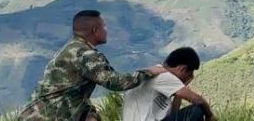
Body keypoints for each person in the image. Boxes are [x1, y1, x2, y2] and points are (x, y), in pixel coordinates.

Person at [19, 10, 166, 121]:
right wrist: (149, 71)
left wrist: (91, 115)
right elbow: (116, 83)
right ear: (95, 31)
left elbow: (70, 91)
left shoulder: (71, 48)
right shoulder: (86, 55)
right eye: (104, 26)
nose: (107, 30)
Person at [122, 47, 215, 121]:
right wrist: (210, 116)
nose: (190, 78)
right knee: (196, 110)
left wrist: (181, 88)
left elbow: (174, 114)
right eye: (189, 74)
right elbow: (198, 100)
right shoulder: (164, 76)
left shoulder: (158, 75)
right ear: (182, 69)